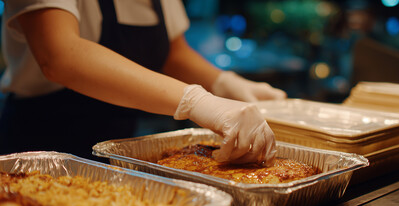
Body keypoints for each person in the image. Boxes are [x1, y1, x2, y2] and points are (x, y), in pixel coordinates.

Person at [0, 0, 287, 165]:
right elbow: (59, 55)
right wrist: (196, 100)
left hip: (121, 145)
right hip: (42, 141)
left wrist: (224, 82)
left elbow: (174, 54)